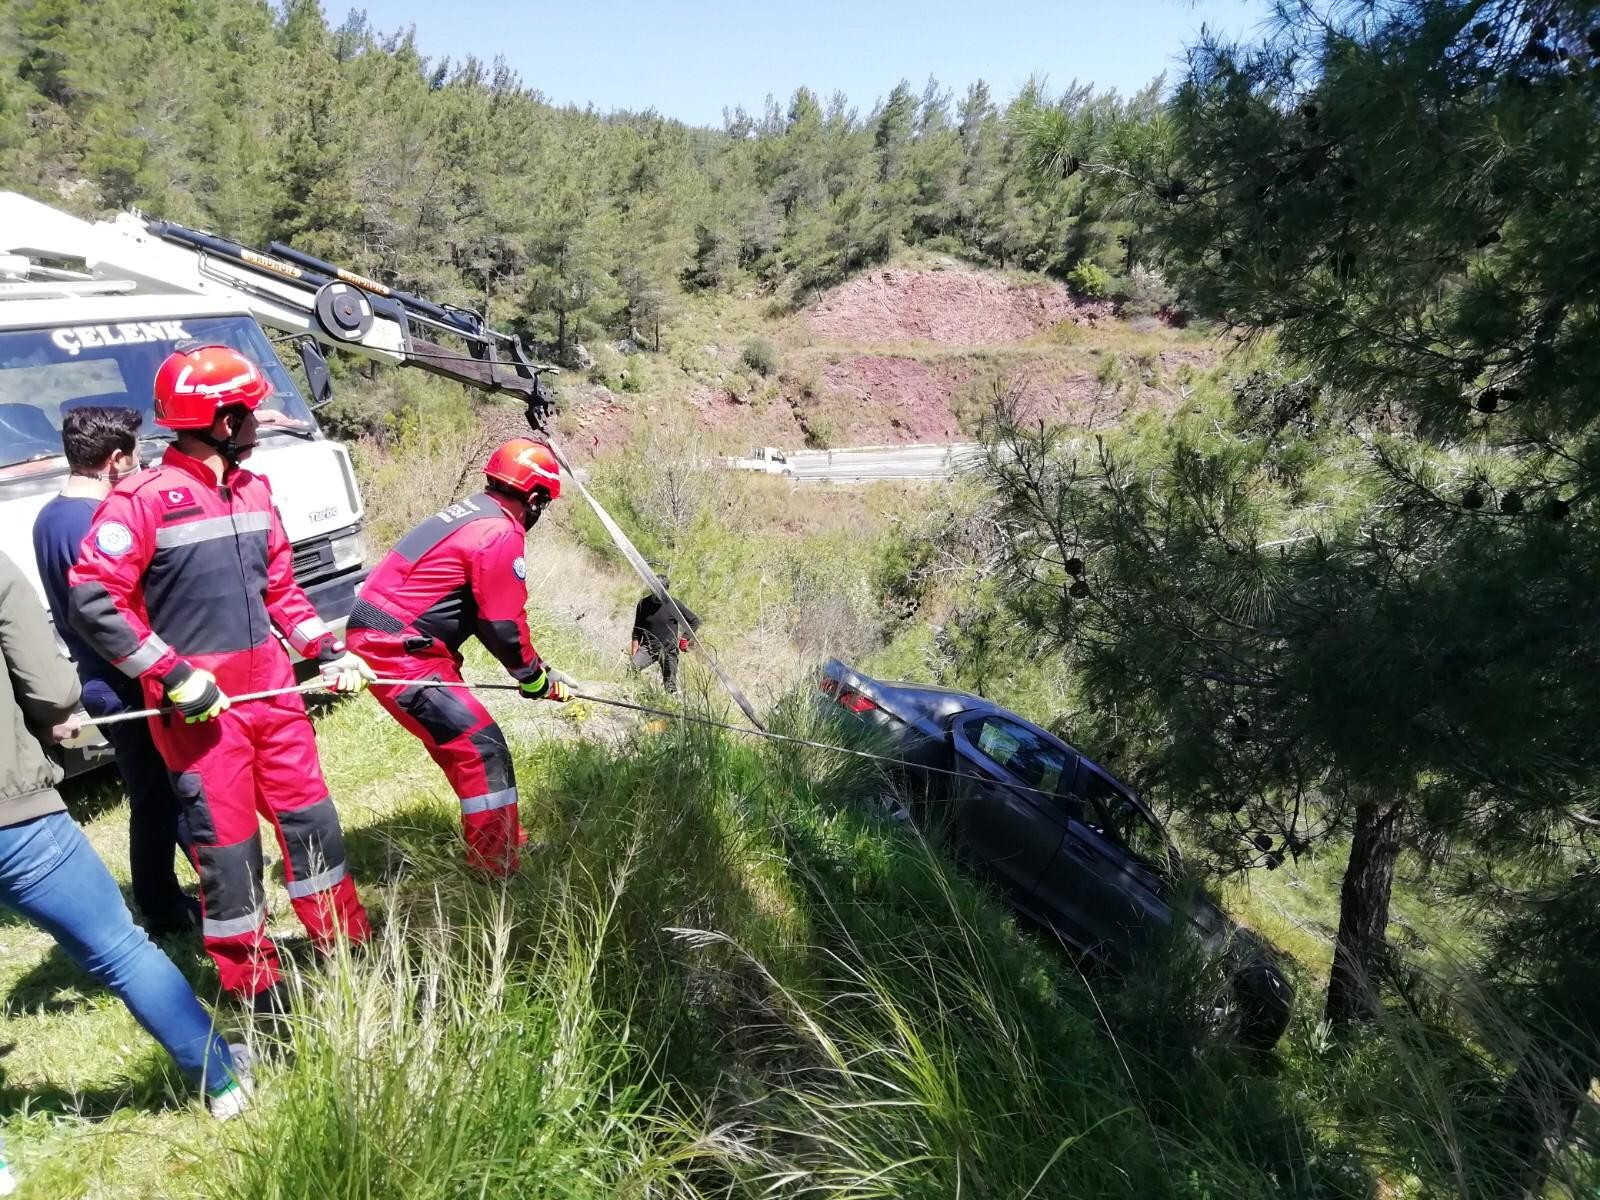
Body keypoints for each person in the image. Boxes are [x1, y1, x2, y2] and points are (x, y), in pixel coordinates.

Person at [68, 344, 373, 1016]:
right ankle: (257, 989)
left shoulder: (256, 491)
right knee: (229, 852)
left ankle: (346, 952)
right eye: (250, 412)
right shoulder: (140, 502)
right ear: (220, 418)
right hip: (203, 716)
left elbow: (283, 592)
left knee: (312, 822)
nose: (258, 423)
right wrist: (174, 676)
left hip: (274, 696)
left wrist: (326, 653)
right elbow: (94, 599)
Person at [0, 549, 250, 1181]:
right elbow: (54, 690)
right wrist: (53, 717)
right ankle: (221, 1079)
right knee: (119, 947)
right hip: (13, 813)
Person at [345, 438, 571, 875]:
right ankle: (495, 870)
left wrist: (535, 671)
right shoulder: (500, 531)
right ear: (536, 496)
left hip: (398, 643)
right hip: (399, 654)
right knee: (482, 749)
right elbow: (502, 625)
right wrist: (533, 678)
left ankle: (503, 842)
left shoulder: (471, 513)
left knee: (466, 746)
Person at [32, 405, 200, 937]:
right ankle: (168, 908)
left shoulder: (50, 516)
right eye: (138, 452)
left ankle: (183, 895)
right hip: (127, 681)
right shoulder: (97, 522)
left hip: (103, 678)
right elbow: (112, 611)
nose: (143, 461)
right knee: (162, 795)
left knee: (157, 794)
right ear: (116, 458)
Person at [631, 572, 700, 695]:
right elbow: (637, 629)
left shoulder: (674, 605)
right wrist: (635, 650)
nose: (658, 594)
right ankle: (635, 694)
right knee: (632, 668)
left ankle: (669, 709)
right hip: (648, 648)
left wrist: (685, 639)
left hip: (669, 650)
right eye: (655, 589)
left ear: (666, 590)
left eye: (662, 591)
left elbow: (694, 621)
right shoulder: (643, 604)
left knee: (670, 686)